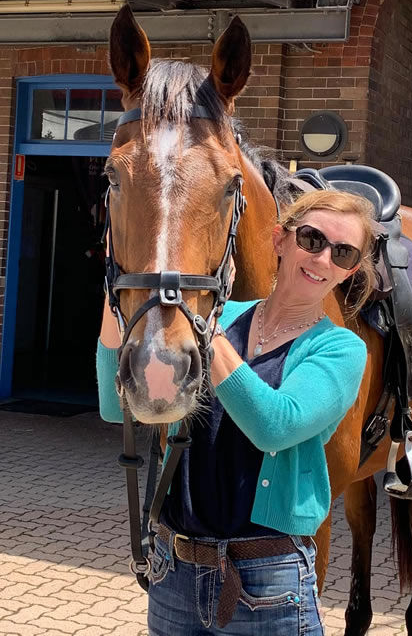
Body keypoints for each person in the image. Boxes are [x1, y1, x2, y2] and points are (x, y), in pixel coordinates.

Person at [97, 189, 376, 636]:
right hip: (175, 571)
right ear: (280, 240)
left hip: (270, 580)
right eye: (311, 239)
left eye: (342, 252)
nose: (322, 258)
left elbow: (275, 425)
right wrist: (117, 288)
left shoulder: (341, 349)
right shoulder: (224, 317)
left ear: (350, 271)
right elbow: (118, 408)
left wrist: (204, 322)